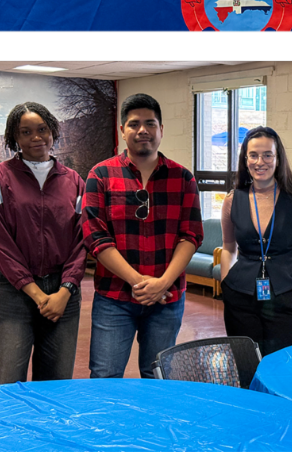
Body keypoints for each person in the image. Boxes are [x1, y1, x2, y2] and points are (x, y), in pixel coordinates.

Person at [82, 93, 203, 378]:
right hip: (114, 297)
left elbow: (191, 235)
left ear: (161, 129)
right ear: (122, 131)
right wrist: (140, 282)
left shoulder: (183, 178)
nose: (143, 130)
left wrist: (162, 283)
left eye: (150, 123)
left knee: (158, 380)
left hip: (167, 298)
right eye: (134, 124)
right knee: (105, 377)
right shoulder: (100, 175)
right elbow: (96, 237)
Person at [0, 102, 86, 383]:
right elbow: (0, 242)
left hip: (63, 292)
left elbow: (81, 241)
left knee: (56, 382)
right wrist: (38, 295)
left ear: (52, 131)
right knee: (5, 380)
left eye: (42, 129)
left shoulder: (74, 181)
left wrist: (65, 289)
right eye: (26, 132)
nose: (36, 137)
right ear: (14, 137)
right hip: (15, 291)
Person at [220, 126, 292, 357]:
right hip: (240, 298)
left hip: (285, 298)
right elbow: (228, 248)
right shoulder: (232, 200)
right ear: (245, 160)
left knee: (284, 367)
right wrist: (226, 282)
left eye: (267, 155)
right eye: (253, 155)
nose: (260, 162)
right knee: (247, 366)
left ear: (278, 159)